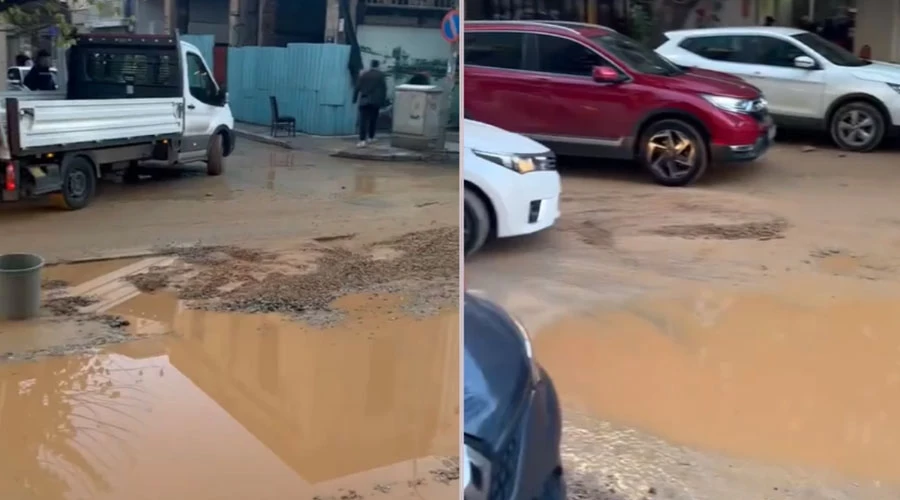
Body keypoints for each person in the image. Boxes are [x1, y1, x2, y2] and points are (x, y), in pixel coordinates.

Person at [353, 59, 387, 148]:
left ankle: (362, 140)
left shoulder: (364, 74)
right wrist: (383, 102)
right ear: (378, 66)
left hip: (364, 101)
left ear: (371, 65)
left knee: (363, 121)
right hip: (375, 101)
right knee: (373, 120)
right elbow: (384, 89)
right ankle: (371, 137)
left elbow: (357, 87)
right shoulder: (380, 75)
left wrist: (354, 99)